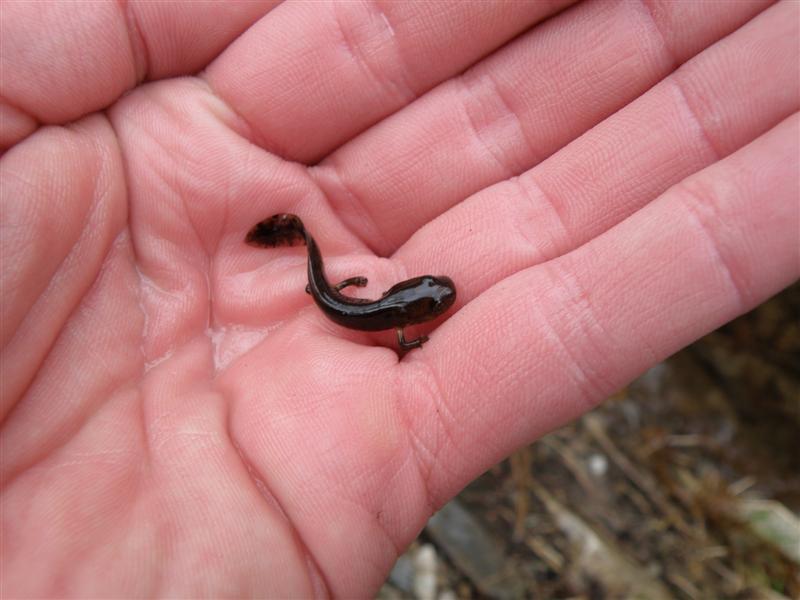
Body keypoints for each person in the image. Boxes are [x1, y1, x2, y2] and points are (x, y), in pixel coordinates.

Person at [1, 1, 797, 597]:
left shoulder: (380, 308)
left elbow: (387, 311)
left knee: (329, 283)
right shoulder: (382, 319)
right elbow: (385, 323)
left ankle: (301, 251)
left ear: (410, 303)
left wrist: (368, 305)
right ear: (412, 311)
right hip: (343, 301)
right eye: (430, 303)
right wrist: (387, 325)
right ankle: (296, 248)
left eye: (429, 301)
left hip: (346, 297)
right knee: (326, 285)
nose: (433, 303)